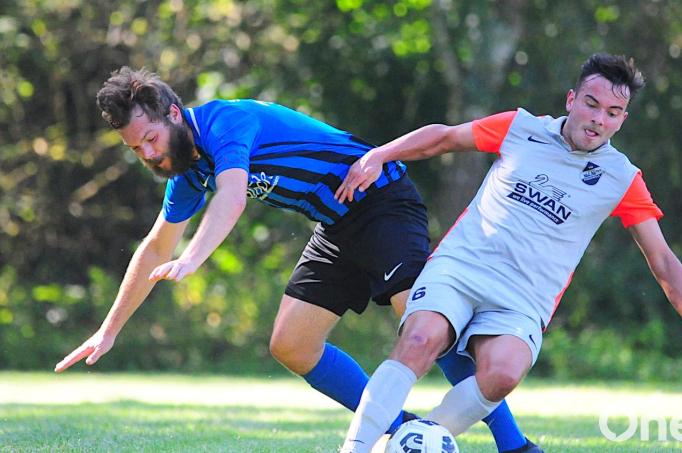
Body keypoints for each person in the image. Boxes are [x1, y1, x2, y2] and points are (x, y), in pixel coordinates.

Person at [53, 67, 542, 453]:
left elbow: (233, 197)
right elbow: (156, 245)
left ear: (174, 114)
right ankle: (399, 429)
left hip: (382, 199)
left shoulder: (227, 123)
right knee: (291, 345)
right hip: (336, 226)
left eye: (151, 139)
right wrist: (109, 329)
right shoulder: (187, 171)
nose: (147, 154)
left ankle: (515, 445)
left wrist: (195, 256)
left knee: (420, 322)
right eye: (136, 148)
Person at [336, 53, 682, 452]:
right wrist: (380, 154)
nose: (598, 119)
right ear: (572, 100)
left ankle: (419, 439)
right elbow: (443, 138)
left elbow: (660, 257)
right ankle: (354, 449)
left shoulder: (622, 178)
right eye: (591, 104)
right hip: (461, 267)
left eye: (612, 112)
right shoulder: (519, 127)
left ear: (623, 119)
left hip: (524, 297)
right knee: (420, 339)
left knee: (502, 374)